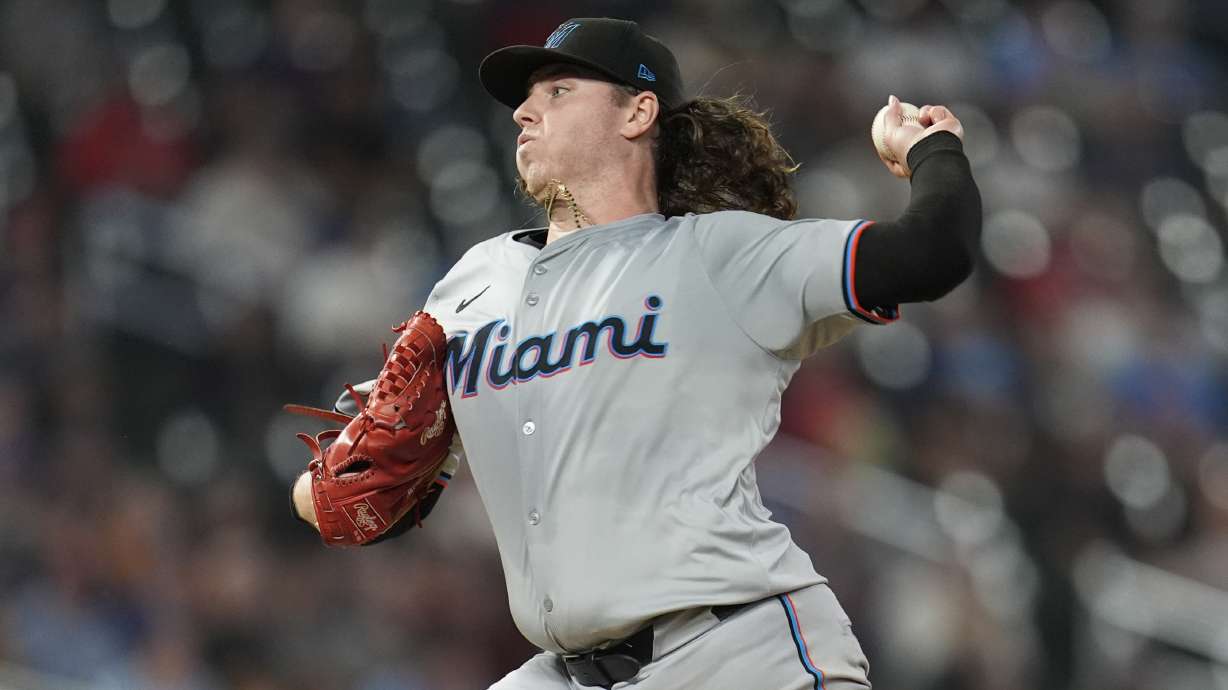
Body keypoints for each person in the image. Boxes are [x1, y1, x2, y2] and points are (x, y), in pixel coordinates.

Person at [294, 16, 980, 690]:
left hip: (738, 652)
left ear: (638, 112)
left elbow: (931, 253)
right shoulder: (473, 283)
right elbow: (344, 487)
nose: (524, 112)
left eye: (558, 91)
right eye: (525, 98)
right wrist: (334, 484)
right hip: (567, 670)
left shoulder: (721, 254)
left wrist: (933, 147)